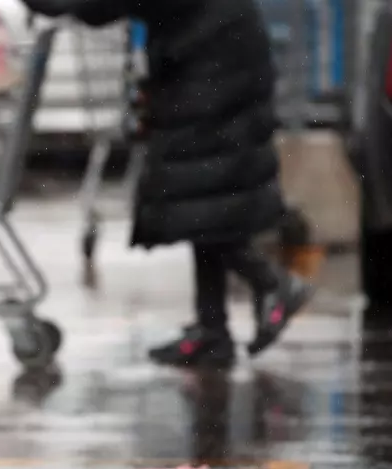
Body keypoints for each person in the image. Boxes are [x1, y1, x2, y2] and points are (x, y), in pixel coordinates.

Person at [21, 0, 312, 367]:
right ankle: (212, 329)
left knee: (197, 192)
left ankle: (271, 284)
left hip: (214, 62)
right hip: (212, 49)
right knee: (200, 195)